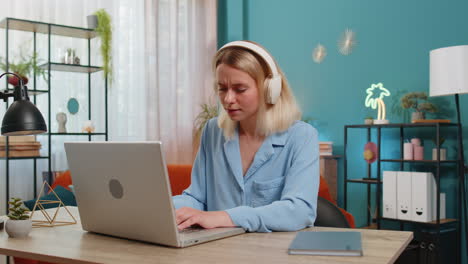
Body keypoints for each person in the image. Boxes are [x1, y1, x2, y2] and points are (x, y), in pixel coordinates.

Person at [172, 40, 319, 232]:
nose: (228, 99)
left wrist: (226, 217)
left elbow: (300, 211)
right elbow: (197, 198)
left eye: (240, 89)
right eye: (222, 88)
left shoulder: (302, 136)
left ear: (270, 89)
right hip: (218, 252)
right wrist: (162, 208)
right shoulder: (212, 131)